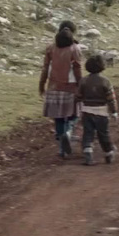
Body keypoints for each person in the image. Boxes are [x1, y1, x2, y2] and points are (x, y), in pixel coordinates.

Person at [39, 28, 86, 159]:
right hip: (69, 89)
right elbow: (77, 69)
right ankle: (69, 132)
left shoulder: (50, 49)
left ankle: (62, 149)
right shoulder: (74, 49)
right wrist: (80, 86)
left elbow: (45, 68)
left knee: (58, 118)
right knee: (73, 115)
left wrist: (41, 85)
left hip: (53, 88)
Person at [77, 54, 119, 166]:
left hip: (86, 111)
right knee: (103, 134)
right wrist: (114, 111)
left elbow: (78, 96)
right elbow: (111, 99)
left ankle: (88, 153)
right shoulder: (105, 81)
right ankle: (108, 152)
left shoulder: (83, 81)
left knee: (88, 134)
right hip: (101, 113)